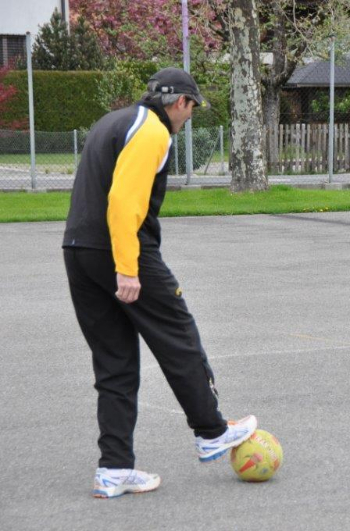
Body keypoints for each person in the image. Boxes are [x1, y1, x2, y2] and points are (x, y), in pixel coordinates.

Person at [63, 67, 256, 498]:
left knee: (115, 363)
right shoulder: (152, 130)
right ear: (180, 102)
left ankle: (114, 470)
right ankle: (211, 431)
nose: (189, 117)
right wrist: (127, 267)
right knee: (178, 335)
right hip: (123, 249)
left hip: (78, 249)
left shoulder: (112, 121)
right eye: (192, 108)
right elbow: (123, 201)